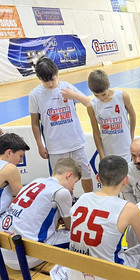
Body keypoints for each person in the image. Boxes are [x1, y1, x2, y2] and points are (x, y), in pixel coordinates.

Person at [69, 155, 140, 280]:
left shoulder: (83, 199)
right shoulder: (128, 208)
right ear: (125, 181)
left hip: (76, 277)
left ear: (98, 178)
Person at [1, 158, 82, 270]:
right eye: (75, 182)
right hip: (25, 257)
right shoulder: (61, 192)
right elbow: (70, 227)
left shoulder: (36, 181)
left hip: (5, 251)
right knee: (81, 235)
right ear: (69, 175)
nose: (73, 187)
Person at [29, 57, 93, 193]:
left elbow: (89, 103)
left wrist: (74, 95)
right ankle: (64, 207)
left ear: (56, 73)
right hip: (55, 147)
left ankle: (90, 201)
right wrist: (40, 145)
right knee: (60, 180)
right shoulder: (35, 95)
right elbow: (35, 122)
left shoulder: (67, 87)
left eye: (52, 79)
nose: (51, 84)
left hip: (76, 142)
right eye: (46, 81)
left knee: (86, 173)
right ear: (39, 78)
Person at [61, 69, 136, 162]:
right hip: (107, 151)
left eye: (104, 94)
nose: (102, 98)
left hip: (125, 148)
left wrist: (131, 137)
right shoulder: (91, 105)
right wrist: (101, 154)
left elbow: (133, 115)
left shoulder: (122, 96)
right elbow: (96, 133)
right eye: (97, 95)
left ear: (108, 85)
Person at [0, 133, 30, 216]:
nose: (20, 160)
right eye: (20, 156)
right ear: (9, 153)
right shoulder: (10, 168)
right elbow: (21, 197)